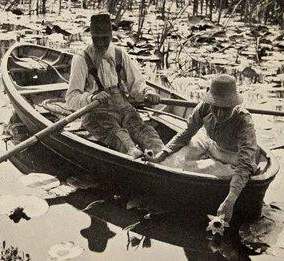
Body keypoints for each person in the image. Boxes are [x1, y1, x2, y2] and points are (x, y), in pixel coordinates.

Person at [149, 75, 258, 223]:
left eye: (225, 109)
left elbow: (245, 163)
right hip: (208, 142)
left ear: (233, 105)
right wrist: (161, 154)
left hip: (231, 155)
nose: (219, 113)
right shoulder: (205, 106)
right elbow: (186, 133)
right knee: (174, 160)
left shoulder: (244, 121)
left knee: (209, 172)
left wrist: (230, 200)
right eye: (216, 107)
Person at [65, 13, 165, 158]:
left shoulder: (120, 54)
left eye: (104, 38)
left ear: (111, 35)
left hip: (123, 107)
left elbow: (136, 84)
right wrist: (91, 98)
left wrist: (147, 92)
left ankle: (162, 155)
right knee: (119, 136)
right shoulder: (81, 59)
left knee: (144, 131)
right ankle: (136, 157)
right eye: (96, 39)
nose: (100, 43)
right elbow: (71, 98)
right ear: (91, 36)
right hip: (96, 112)